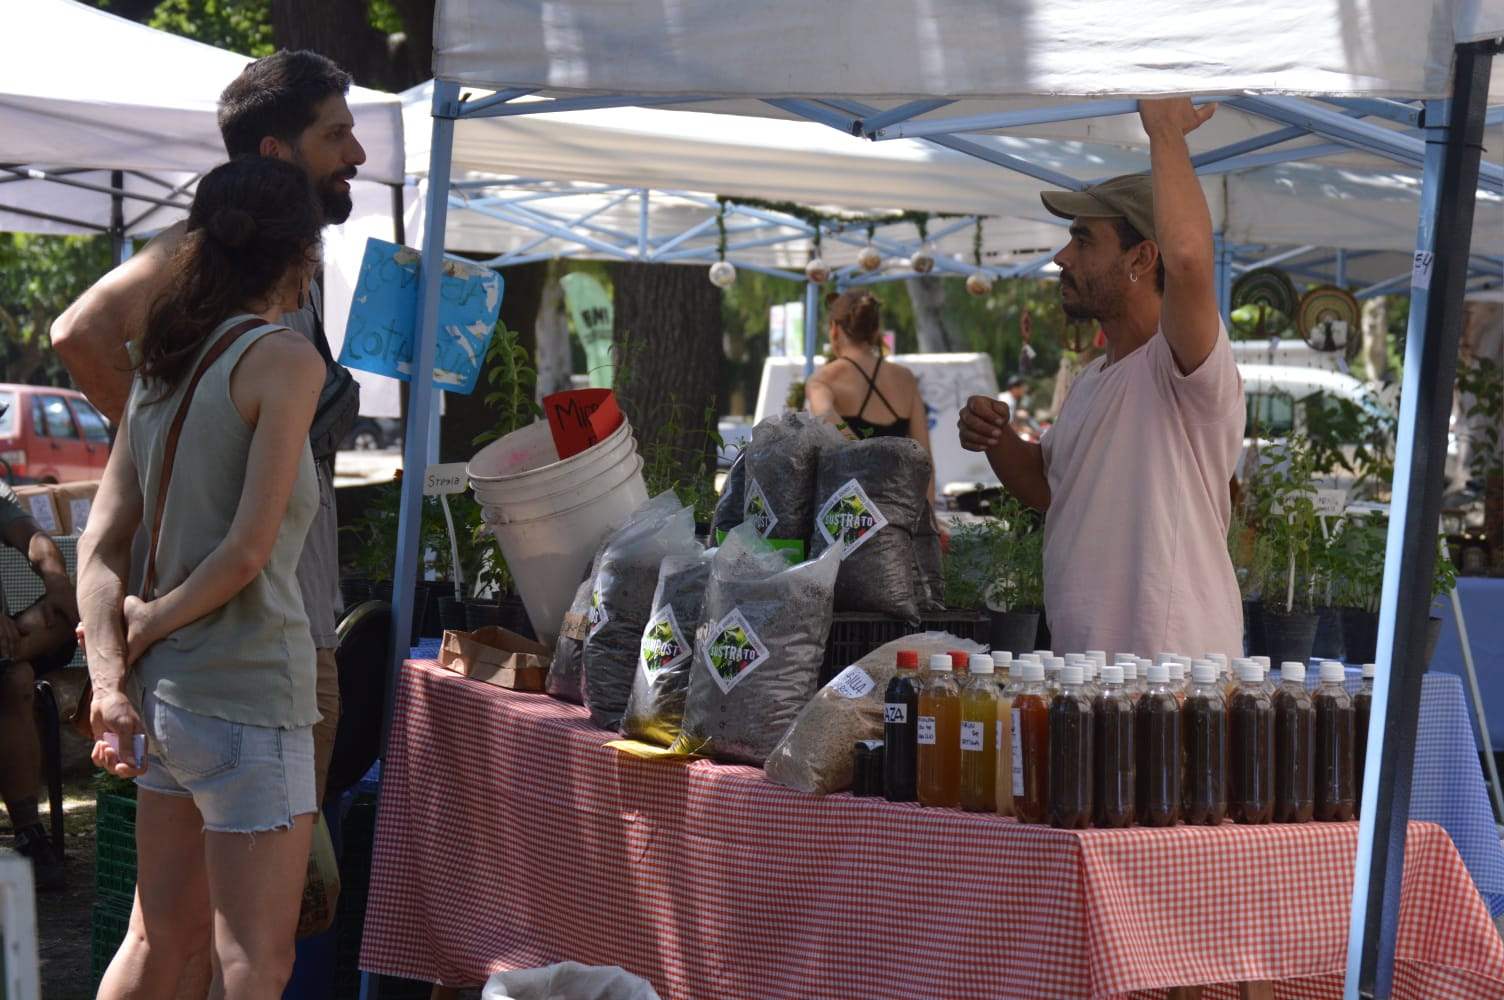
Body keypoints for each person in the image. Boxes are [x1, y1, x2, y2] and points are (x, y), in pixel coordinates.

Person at [52, 50, 365, 809]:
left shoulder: (275, 274)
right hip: (250, 648)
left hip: (257, 626)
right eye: (336, 135)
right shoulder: (205, 256)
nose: (355, 155)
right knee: (261, 916)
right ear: (275, 151)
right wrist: (175, 446)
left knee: (180, 922)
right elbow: (80, 332)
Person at [79, 155, 325, 1000]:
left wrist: (113, 673)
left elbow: (99, 548)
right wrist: (144, 628)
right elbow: (249, 551)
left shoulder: (163, 363)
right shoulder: (284, 361)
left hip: (168, 704)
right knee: (256, 960)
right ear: (301, 253)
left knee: (155, 938)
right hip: (250, 693)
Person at [958, 98, 1245, 660]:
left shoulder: (1181, 363)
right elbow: (1048, 488)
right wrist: (996, 438)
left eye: (1084, 239)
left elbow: (1188, 260)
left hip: (1173, 676)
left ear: (1141, 258)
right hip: (1089, 667)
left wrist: (1165, 131)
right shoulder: (1095, 377)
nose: (1062, 257)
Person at [0, 478, 79, 892]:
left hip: (8, 644)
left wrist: (58, 582)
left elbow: (35, 540)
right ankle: (29, 832)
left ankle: (30, 836)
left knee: (71, 609)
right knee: (15, 679)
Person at [804, 289, 935, 499]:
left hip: (852, 509)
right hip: (900, 505)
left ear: (835, 329)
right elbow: (924, 459)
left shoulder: (824, 379)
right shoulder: (904, 378)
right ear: (875, 333)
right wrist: (929, 520)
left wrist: (868, 468)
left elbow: (825, 417)